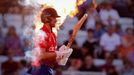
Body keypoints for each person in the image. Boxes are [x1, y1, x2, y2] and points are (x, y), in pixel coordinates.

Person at [28, 7, 73, 75]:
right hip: (40, 69)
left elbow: (50, 55)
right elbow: (41, 55)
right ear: (47, 18)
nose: (56, 20)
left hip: (48, 68)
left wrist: (61, 56)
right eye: (54, 18)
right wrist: (57, 53)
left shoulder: (53, 34)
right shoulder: (42, 33)